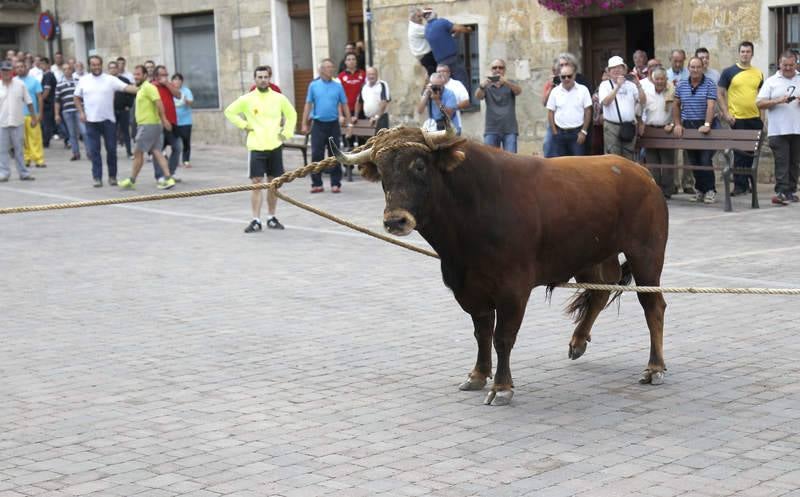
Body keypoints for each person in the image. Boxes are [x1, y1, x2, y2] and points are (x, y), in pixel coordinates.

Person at [225, 65, 297, 232]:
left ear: (269, 78)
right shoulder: (247, 99)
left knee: (274, 184)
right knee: (256, 183)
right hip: (256, 147)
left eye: (266, 77)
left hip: (275, 146)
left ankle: (271, 217)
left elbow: (292, 114)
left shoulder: (279, 98)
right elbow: (229, 112)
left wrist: (286, 133)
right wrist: (244, 125)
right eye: (260, 77)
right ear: (255, 79)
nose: (263, 80)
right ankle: (256, 220)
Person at [74, 55, 138, 187]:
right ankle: (97, 177)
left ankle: (112, 176)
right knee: (94, 151)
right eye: (93, 65)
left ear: (101, 65)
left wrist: (145, 89)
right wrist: (81, 112)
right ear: (89, 66)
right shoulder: (84, 80)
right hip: (91, 121)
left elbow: (127, 88)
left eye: (98, 64)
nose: (96, 67)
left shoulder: (110, 80)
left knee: (111, 150)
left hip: (108, 120)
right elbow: (76, 97)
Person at [117, 65, 176, 190]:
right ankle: (168, 178)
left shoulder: (149, 87)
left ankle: (131, 180)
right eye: (134, 74)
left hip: (148, 125)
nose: (135, 76)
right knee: (157, 151)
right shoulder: (142, 88)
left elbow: (159, 103)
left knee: (138, 152)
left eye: (138, 74)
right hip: (151, 125)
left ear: (145, 75)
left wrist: (164, 119)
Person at [718, 41, 764, 196]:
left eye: (748, 51)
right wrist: (726, 113)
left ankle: (747, 182)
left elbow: (761, 96)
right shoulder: (729, 72)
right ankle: (739, 185)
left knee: (752, 152)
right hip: (737, 118)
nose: (745, 54)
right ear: (739, 53)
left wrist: (762, 118)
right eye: (743, 51)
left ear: (752, 54)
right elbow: (720, 93)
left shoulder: (758, 73)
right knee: (739, 153)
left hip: (754, 118)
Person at [756, 50, 800, 205]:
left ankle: (791, 191)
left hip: (797, 129)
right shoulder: (771, 81)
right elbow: (759, 103)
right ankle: (781, 192)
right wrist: (777, 101)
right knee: (782, 162)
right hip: (778, 130)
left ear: (796, 63)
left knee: (794, 162)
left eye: (791, 65)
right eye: (785, 65)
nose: (788, 68)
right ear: (779, 64)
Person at [301, 58, 351, 193]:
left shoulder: (338, 86)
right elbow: (308, 104)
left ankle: (336, 183)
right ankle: (316, 183)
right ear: (321, 70)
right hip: (318, 125)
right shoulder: (313, 85)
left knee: (335, 154)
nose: (331, 69)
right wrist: (304, 123)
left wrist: (349, 122)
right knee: (317, 154)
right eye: (328, 67)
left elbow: (344, 104)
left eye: (332, 67)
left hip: (333, 124)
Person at [673, 57, 718, 203]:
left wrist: (707, 124)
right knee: (693, 160)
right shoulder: (681, 85)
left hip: (703, 124)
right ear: (688, 68)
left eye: (698, 67)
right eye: (692, 67)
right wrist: (678, 124)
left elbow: (711, 105)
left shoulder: (709, 84)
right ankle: (700, 190)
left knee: (705, 159)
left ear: (702, 68)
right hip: (688, 124)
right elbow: (676, 105)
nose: (695, 70)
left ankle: (710, 190)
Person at [599, 55, 645, 160]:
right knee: (613, 158)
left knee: (628, 159)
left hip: (628, 126)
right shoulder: (605, 85)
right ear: (609, 71)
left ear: (624, 70)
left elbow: (643, 101)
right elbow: (606, 102)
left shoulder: (631, 85)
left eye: (619, 67)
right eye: (613, 68)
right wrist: (617, 86)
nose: (617, 70)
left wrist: (638, 85)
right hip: (611, 126)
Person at [640, 67, 676, 198]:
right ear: (653, 80)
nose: (660, 81)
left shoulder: (672, 92)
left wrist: (672, 124)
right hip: (651, 130)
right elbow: (642, 111)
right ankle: (654, 190)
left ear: (666, 79)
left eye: (662, 79)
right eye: (657, 79)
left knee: (667, 164)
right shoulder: (647, 93)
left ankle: (667, 192)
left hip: (666, 130)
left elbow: (677, 112)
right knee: (652, 164)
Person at [0, 60, 36, 182]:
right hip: (2, 123)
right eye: (4, 70)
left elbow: (29, 101)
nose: (6, 73)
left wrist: (34, 117)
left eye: (8, 70)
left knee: (19, 149)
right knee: (2, 149)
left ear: (12, 71)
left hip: (17, 121)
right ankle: (4, 173)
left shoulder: (20, 84)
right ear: (1, 71)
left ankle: (24, 173)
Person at [545, 62, 592, 157]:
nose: (566, 79)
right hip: (560, 133)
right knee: (560, 165)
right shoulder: (555, 91)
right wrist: (554, 132)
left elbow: (588, 111)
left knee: (578, 165)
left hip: (577, 133)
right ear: (560, 77)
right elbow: (550, 112)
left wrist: (583, 132)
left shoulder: (583, 90)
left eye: (569, 76)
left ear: (574, 76)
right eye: (563, 77)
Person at [422, 8, 472, 95]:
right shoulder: (441, 22)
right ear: (433, 13)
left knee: (446, 84)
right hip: (452, 58)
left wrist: (455, 34)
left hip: (440, 63)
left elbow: (445, 38)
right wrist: (468, 29)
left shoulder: (426, 30)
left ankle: (449, 103)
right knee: (461, 80)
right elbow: (459, 28)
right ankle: (464, 103)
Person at [476, 59, 520, 152]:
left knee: (511, 161)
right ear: (491, 70)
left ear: (504, 70)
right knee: (490, 161)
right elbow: (478, 96)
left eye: (500, 68)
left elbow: (518, 91)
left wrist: (506, 82)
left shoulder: (510, 83)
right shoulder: (486, 85)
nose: (497, 70)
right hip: (491, 129)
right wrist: (482, 86)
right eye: (494, 68)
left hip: (509, 129)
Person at [151, 65, 183, 181]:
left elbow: (178, 95)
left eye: (166, 75)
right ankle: (160, 175)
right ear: (156, 76)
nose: (165, 77)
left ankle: (170, 172)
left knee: (178, 147)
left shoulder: (168, 86)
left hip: (172, 122)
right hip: (158, 123)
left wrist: (167, 84)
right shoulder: (152, 87)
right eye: (162, 75)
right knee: (158, 150)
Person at [14, 60, 45, 168]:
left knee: (35, 138)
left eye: (22, 66)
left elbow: (40, 98)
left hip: (32, 115)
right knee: (21, 140)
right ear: (15, 69)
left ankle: (38, 160)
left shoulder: (34, 81)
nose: (20, 69)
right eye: (17, 67)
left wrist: (40, 113)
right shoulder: (13, 81)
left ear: (26, 68)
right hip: (17, 115)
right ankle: (26, 159)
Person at [54, 63, 82, 161]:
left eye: (69, 69)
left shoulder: (78, 82)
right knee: (72, 133)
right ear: (63, 71)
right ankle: (76, 153)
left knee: (84, 132)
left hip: (78, 110)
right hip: (67, 111)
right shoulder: (60, 84)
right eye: (65, 69)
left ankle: (90, 152)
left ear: (72, 70)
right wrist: (57, 114)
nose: (67, 71)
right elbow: (57, 101)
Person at [338, 52, 365, 149]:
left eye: (353, 59)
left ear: (356, 61)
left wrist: (356, 115)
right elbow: (338, 98)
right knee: (348, 141)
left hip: (360, 112)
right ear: (345, 62)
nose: (351, 61)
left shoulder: (363, 74)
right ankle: (348, 164)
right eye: (349, 59)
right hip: (346, 112)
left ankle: (363, 164)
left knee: (362, 140)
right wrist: (340, 115)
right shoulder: (340, 77)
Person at [109, 61, 134, 159]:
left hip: (123, 109)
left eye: (114, 67)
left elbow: (131, 94)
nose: (113, 69)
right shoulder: (106, 81)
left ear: (117, 69)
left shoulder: (124, 80)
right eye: (110, 68)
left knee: (126, 132)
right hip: (111, 111)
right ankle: (112, 153)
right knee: (111, 132)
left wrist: (129, 105)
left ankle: (129, 152)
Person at [354, 66, 391, 131]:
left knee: (381, 140)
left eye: (373, 74)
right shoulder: (364, 86)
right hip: (368, 119)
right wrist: (355, 116)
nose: (371, 76)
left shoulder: (382, 84)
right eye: (369, 74)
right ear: (366, 76)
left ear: (377, 75)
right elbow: (359, 102)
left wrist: (376, 117)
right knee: (369, 140)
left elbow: (384, 102)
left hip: (381, 119)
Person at [172, 73, 193, 168]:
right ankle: (175, 160)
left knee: (185, 141)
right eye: (175, 79)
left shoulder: (186, 91)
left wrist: (185, 100)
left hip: (185, 121)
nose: (177, 81)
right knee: (174, 142)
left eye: (179, 79)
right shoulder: (170, 91)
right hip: (173, 121)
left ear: (182, 81)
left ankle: (186, 160)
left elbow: (190, 102)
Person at [408, 8, 436, 76]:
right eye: (419, 16)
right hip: (426, 55)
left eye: (421, 16)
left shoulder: (415, 25)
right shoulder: (416, 28)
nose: (421, 18)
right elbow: (433, 32)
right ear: (412, 17)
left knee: (432, 74)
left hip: (424, 56)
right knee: (434, 75)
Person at [39, 57, 58, 148]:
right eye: (40, 63)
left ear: (48, 65)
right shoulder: (46, 75)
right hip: (49, 103)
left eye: (43, 63)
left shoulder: (48, 75)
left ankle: (45, 141)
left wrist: (41, 100)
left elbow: (47, 90)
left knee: (46, 123)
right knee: (46, 123)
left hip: (48, 103)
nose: (41, 65)